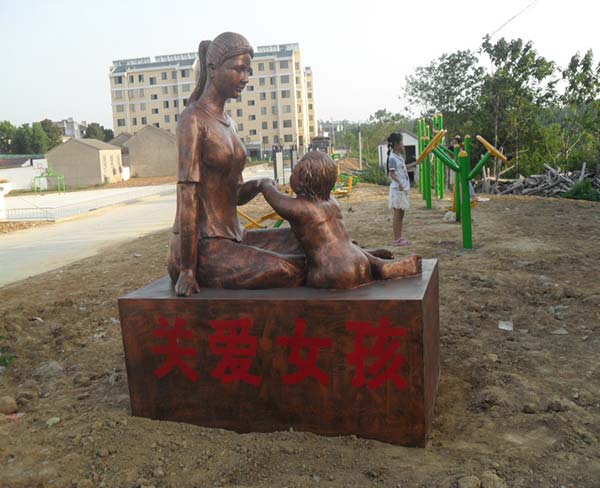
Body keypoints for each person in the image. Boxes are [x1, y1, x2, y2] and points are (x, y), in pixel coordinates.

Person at [167, 32, 306, 296]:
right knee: (288, 269)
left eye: (248, 71)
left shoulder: (229, 124)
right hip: (202, 248)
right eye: (238, 69)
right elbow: (187, 197)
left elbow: (235, 195)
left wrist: (261, 184)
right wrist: (187, 269)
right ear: (212, 69)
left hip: (234, 237)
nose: (245, 78)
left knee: (310, 240)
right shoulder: (192, 120)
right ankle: (349, 263)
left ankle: (360, 259)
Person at [260, 151, 422, 289]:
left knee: (308, 273)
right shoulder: (332, 202)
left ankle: (379, 264)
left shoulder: (300, 208)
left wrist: (265, 184)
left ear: (302, 179)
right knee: (345, 245)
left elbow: (273, 196)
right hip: (359, 260)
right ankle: (380, 265)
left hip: (332, 271)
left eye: (294, 172)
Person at [386, 132, 417, 246]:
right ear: (396, 144)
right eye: (402, 142)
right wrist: (399, 182)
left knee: (401, 214)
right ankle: (397, 238)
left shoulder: (399, 156)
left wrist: (415, 163)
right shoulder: (392, 158)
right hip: (397, 190)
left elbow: (403, 167)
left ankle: (399, 237)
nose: (403, 144)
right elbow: (391, 173)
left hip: (402, 189)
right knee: (397, 214)